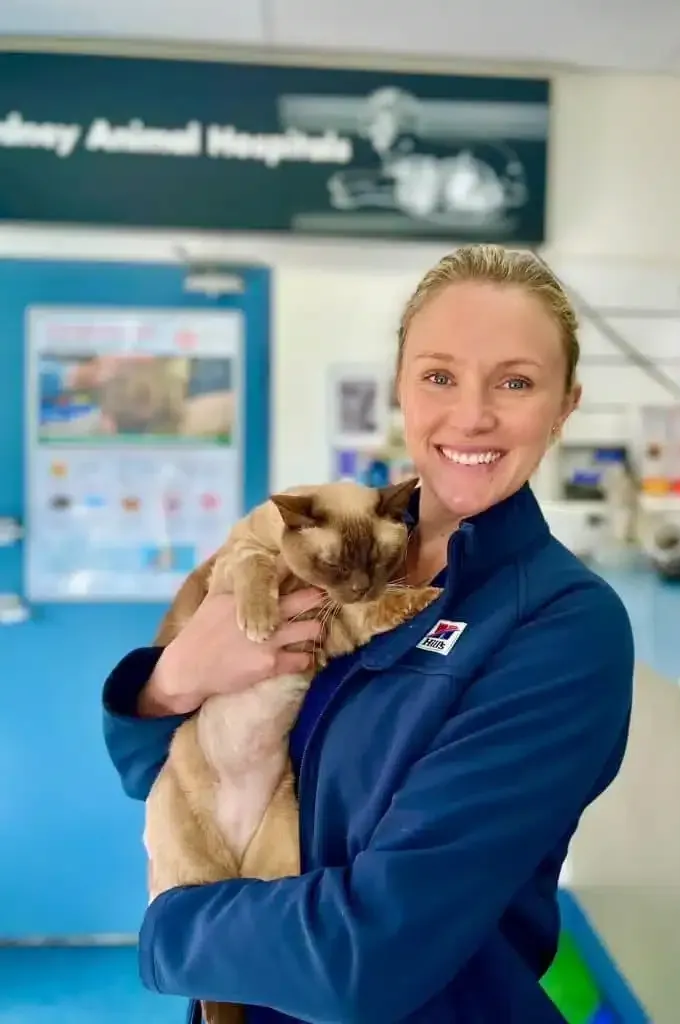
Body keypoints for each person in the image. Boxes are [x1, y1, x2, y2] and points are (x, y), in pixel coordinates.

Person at [102, 244, 634, 1023]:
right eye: (439, 375)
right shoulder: (324, 531)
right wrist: (172, 680)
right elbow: (146, 763)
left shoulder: (561, 629)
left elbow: (368, 958)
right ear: (401, 389)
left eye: (514, 382)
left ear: (563, 406)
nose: (472, 414)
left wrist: (168, 930)